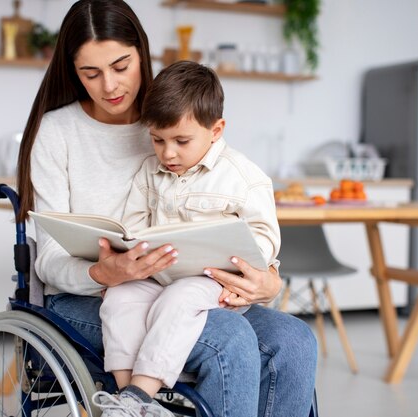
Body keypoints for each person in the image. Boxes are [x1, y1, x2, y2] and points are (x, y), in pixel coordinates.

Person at [16, 1, 318, 416]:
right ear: (72, 72)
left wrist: (267, 281)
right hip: (88, 297)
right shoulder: (58, 133)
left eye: (121, 66)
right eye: (91, 73)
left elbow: (229, 207)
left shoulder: (172, 119)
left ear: (142, 53)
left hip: (184, 285)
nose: (109, 86)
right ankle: (133, 402)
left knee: (294, 340)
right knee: (227, 339)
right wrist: (101, 273)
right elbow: (48, 260)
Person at [97, 60, 282, 416]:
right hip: (160, 277)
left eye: (181, 141)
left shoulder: (243, 177)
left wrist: (245, 264)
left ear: (216, 130)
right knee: (119, 296)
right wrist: (126, 247)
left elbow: (264, 237)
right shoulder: (149, 172)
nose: (167, 153)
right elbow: (133, 223)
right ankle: (123, 401)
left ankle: (141, 393)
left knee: (181, 298)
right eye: (157, 140)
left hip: (214, 283)